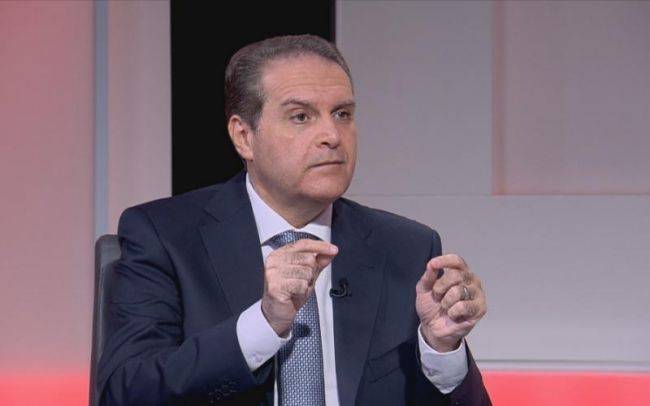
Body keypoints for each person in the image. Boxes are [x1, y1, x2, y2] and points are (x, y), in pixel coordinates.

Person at [96, 34, 490, 405]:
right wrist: (263, 323)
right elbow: (127, 391)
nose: (332, 135)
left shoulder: (406, 248)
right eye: (301, 117)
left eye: (343, 114)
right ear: (244, 136)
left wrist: (441, 349)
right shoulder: (165, 237)